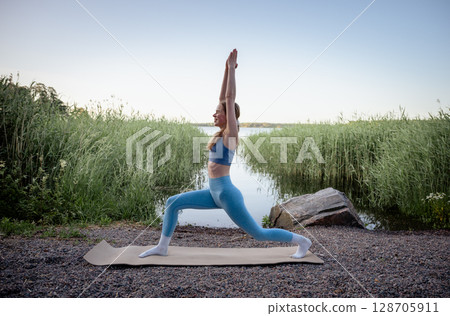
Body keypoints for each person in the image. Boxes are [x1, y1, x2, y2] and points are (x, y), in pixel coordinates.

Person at [139, 49, 312, 259]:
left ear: (228, 116)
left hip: (227, 194)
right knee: (172, 202)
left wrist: (231, 70)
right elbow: (223, 98)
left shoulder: (231, 133)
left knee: (258, 234)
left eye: (218, 112)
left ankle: (302, 241)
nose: (214, 113)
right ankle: (162, 247)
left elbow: (229, 98)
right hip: (213, 192)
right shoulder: (221, 134)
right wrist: (224, 69)